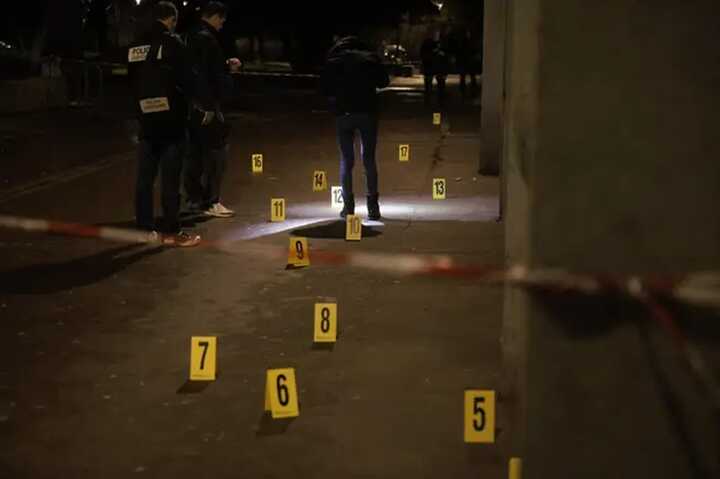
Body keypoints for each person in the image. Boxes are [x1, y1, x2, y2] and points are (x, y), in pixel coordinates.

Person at [128, 1, 200, 247]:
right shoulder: (173, 43)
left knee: (144, 179)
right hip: (172, 121)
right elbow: (189, 79)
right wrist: (203, 105)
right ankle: (172, 230)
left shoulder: (135, 45)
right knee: (171, 179)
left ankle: (145, 229)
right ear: (171, 19)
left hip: (146, 119)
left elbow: (129, 83)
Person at [320, 34, 389, 220]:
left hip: (343, 114)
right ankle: (373, 207)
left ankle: (348, 207)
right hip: (367, 112)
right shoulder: (370, 59)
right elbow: (384, 82)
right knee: (368, 159)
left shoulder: (334, 61)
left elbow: (325, 89)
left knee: (346, 161)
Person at [184, 1, 241, 218]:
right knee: (217, 152)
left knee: (194, 153)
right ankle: (211, 201)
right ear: (215, 16)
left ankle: (193, 199)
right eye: (222, 20)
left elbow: (198, 70)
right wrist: (228, 74)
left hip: (190, 105)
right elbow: (210, 75)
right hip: (207, 104)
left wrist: (225, 65)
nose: (223, 25)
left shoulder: (188, 35)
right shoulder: (207, 39)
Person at [420, 30, 449, 105]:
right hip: (429, 65)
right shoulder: (428, 43)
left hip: (438, 66)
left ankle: (440, 100)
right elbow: (423, 54)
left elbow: (446, 54)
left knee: (440, 83)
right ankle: (429, 100)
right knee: (429, 83)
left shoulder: (442, 43)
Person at [456, 29, 479, 96]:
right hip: (466, 60)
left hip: (467, 60)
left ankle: (469, 88)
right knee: (466, 75)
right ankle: (468, 88)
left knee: (468, 75)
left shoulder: (467, 42)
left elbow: (472, 50)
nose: (468, 35)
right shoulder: (466, 42)